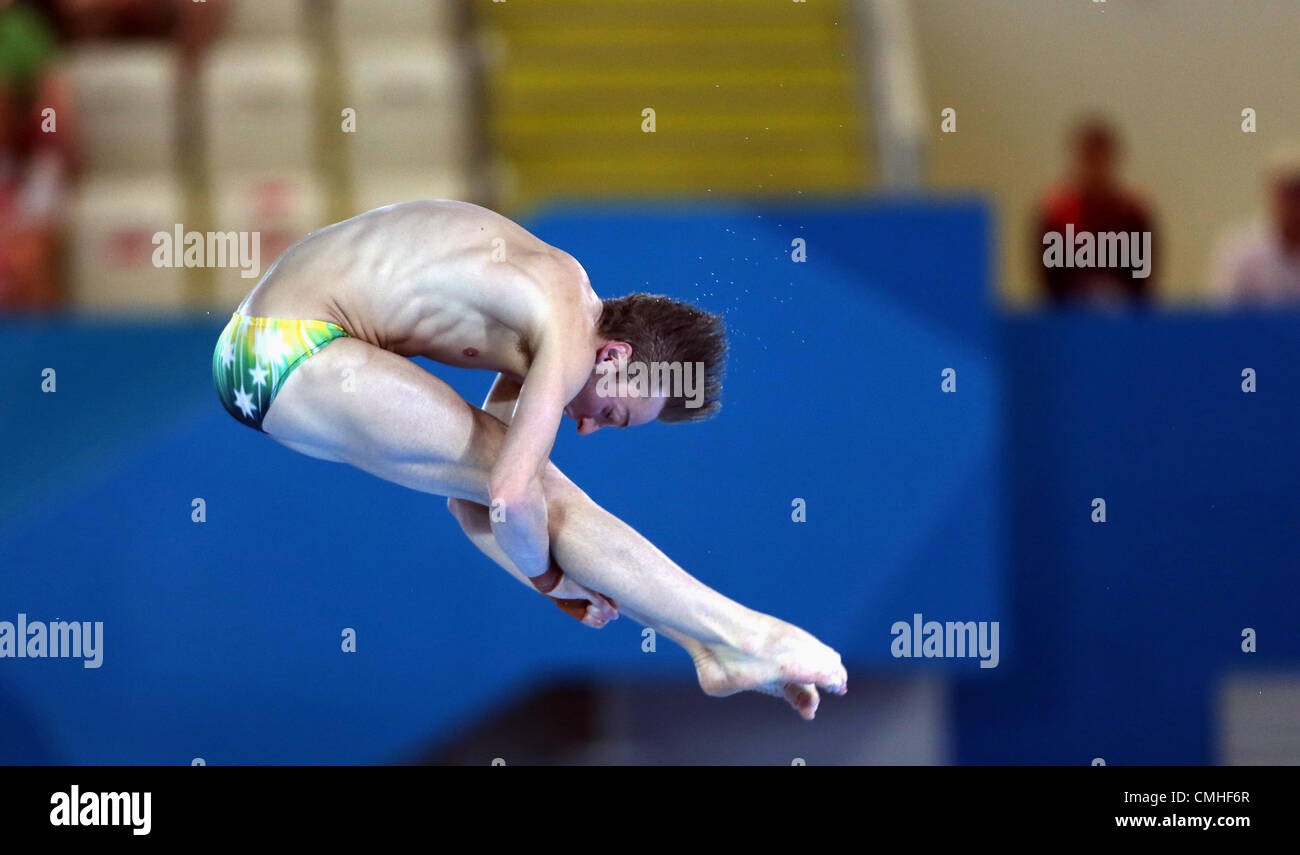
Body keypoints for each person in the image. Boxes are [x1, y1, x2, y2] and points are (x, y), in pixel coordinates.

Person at [212, 199, 847, 719]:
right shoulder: (567, 326)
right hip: (293, 347)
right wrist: (546, 579)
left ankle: (705, 644)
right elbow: (513, 501)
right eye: (614, 412)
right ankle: (745, 637)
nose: (592, 426)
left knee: (535, 488)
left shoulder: (544, 308)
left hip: (258, 354)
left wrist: (548, 582)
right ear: (616, 356)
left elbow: (473, 505)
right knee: (552, 494)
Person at [1034, 116, 1158, 305]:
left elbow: (1142, 282)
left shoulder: (1132, 213)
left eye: (1101, 157)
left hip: (1122, 318)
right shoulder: (1057, 215)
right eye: (1089, 157)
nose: (1095, 166)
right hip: (1069, 318)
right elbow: (1049, 284)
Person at [1209, 143, 1300, 304]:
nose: (1294, 203)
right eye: (1289, 193)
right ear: (1272, 194)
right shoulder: (1239, 251)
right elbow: (1222, 317)